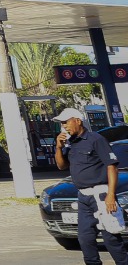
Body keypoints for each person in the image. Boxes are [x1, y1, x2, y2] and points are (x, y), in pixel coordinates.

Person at [54, 107, 128, 265]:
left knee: (111, 238)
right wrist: (59, 147)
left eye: (66, 122)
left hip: (101, 195)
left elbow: (111, 166)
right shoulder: (70, 143)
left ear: (78, 121)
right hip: (83, 197)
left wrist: (110, 195)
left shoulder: (96, 139)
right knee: (85, 239)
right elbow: (61, 166)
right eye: (62, 124)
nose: (64, 126)